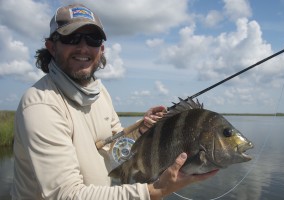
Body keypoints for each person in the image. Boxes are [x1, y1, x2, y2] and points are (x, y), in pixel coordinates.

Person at [11, 3, 218, 200]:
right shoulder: (41, 105)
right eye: (72, 38)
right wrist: (153, 191)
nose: (83, 47)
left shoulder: (99, 92)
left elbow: (115, 146)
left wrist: (141, 130)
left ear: (101, 50)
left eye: (92, 39)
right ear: (51, 47)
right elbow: (66, 195)